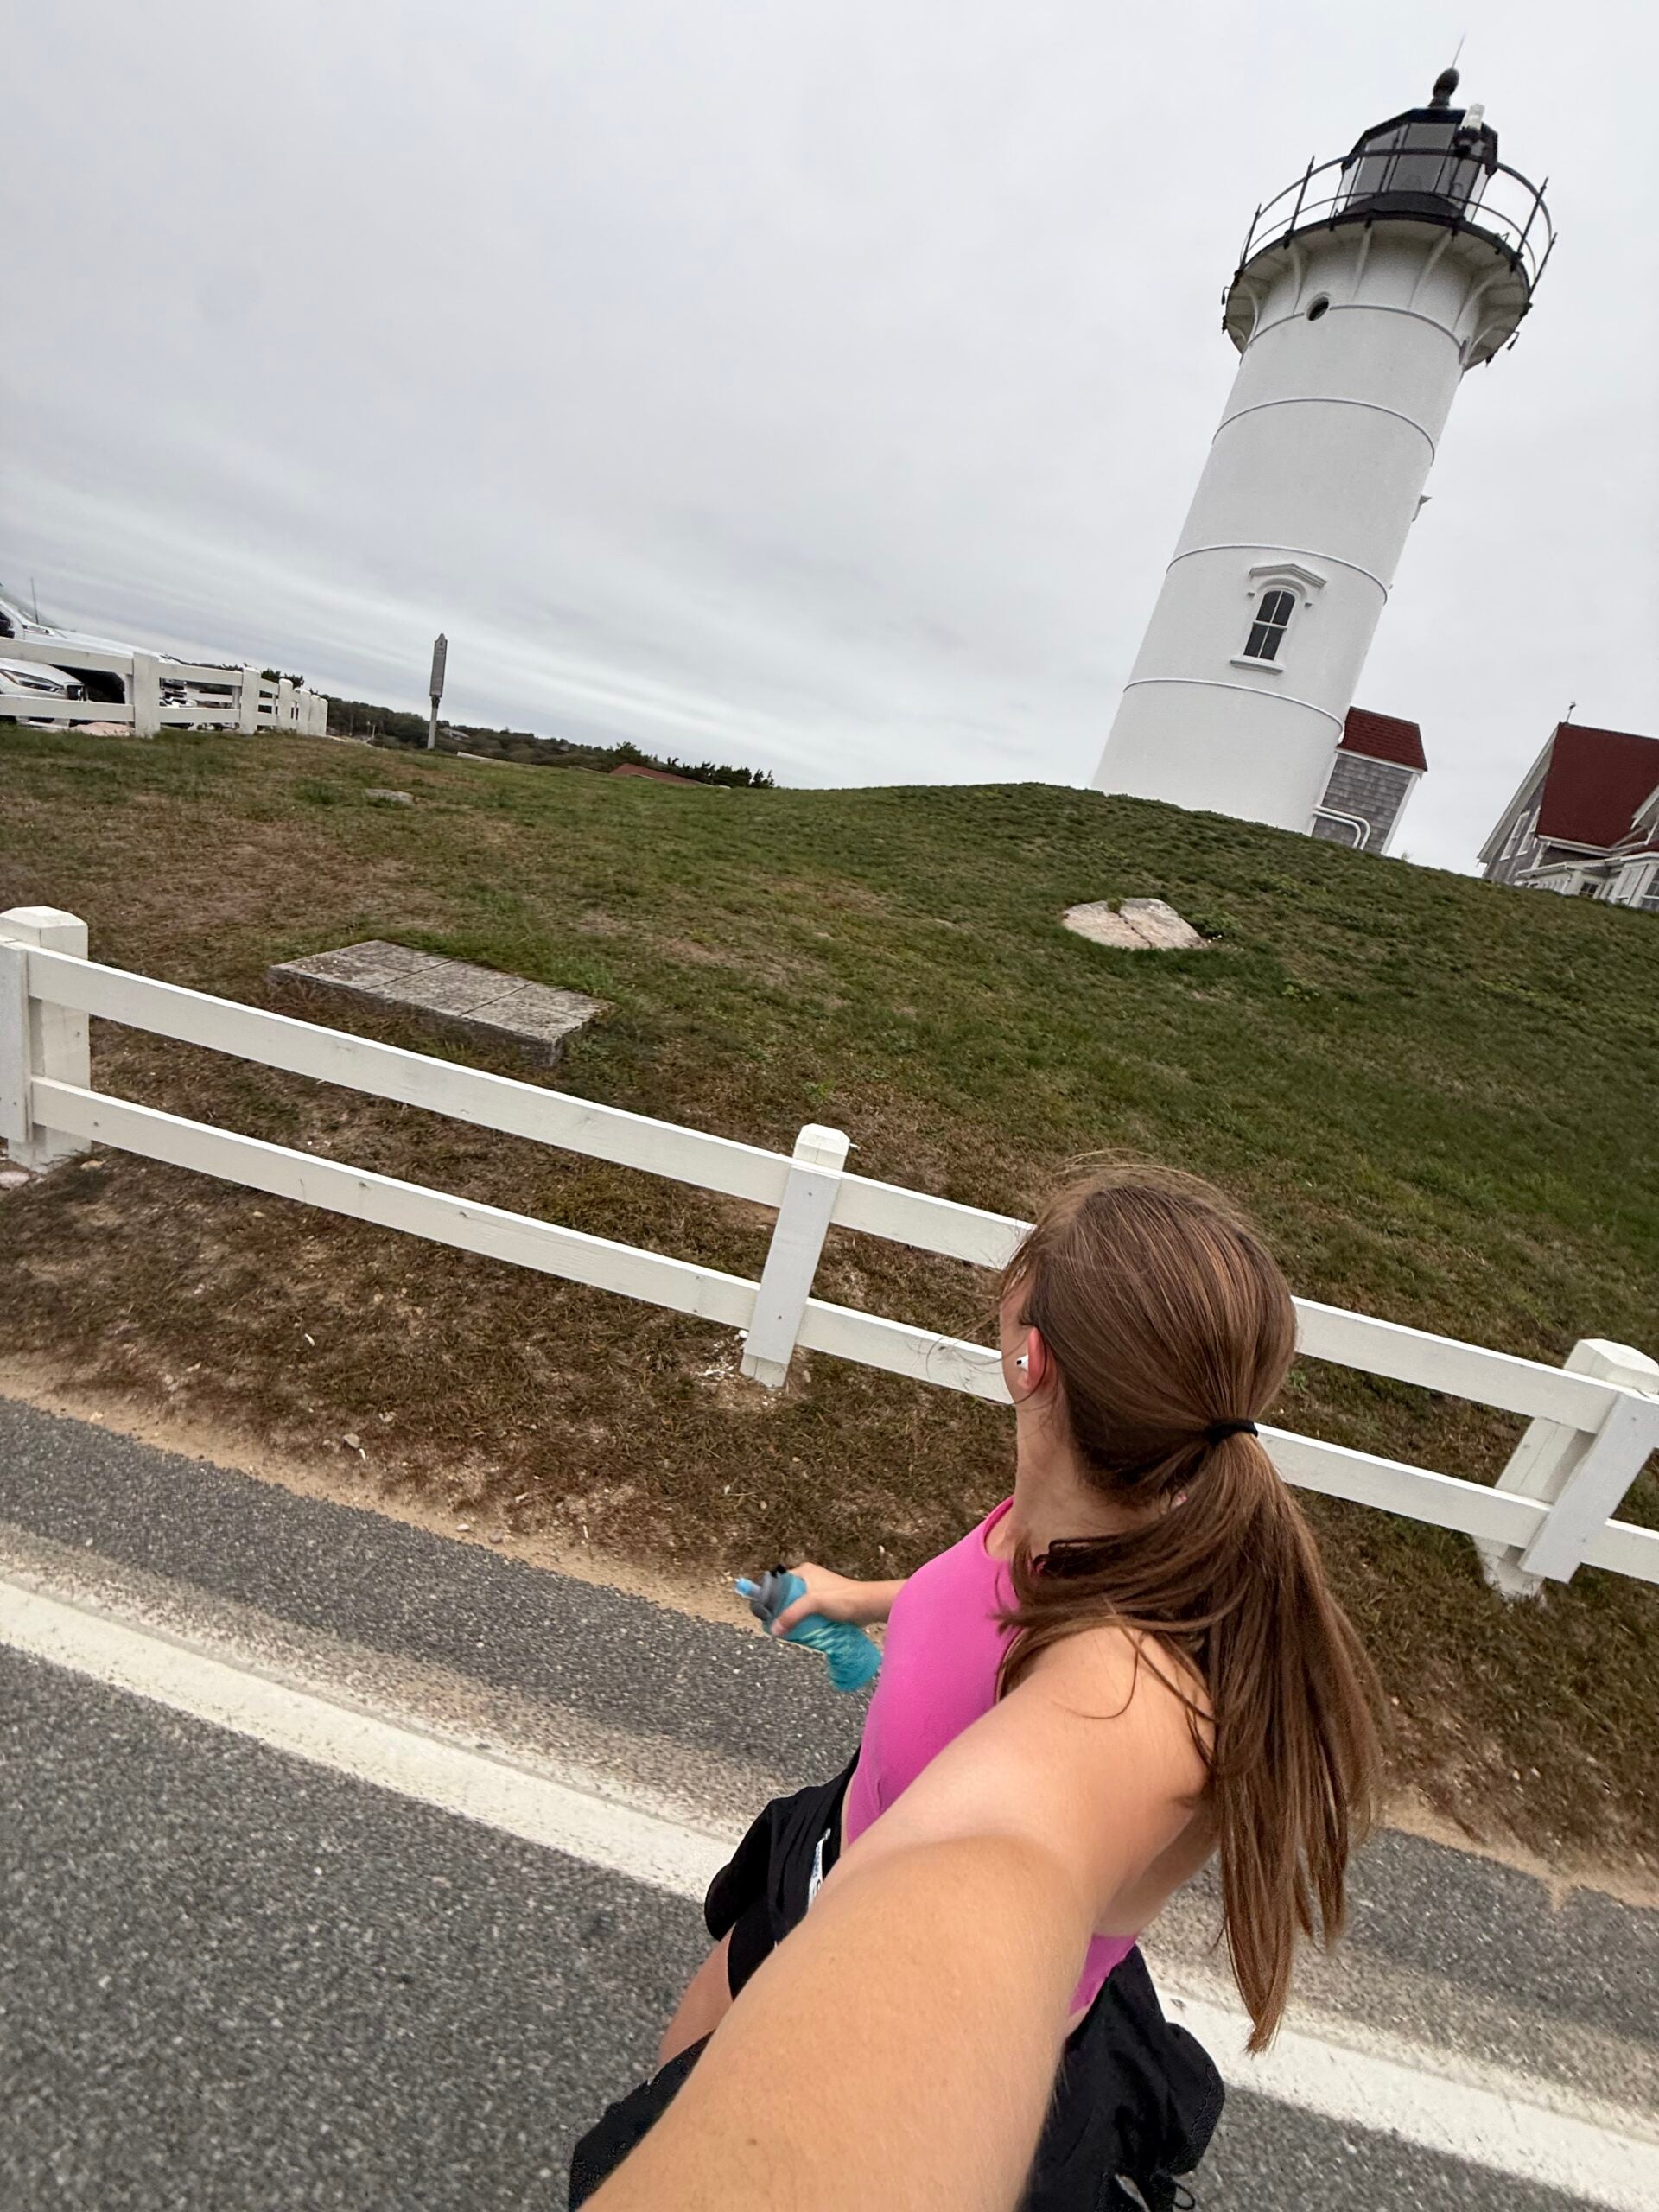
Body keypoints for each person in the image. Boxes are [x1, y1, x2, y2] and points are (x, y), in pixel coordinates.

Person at [572, 1163, 1383, 2209]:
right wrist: (858, 1599)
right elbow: (981, 1588)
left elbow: (1007, 1848)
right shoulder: (1082, 1518)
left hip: (910, 1962)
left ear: (1025, 1354)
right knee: (690, 2051)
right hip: (829, 1856)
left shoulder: (1136, 1695)